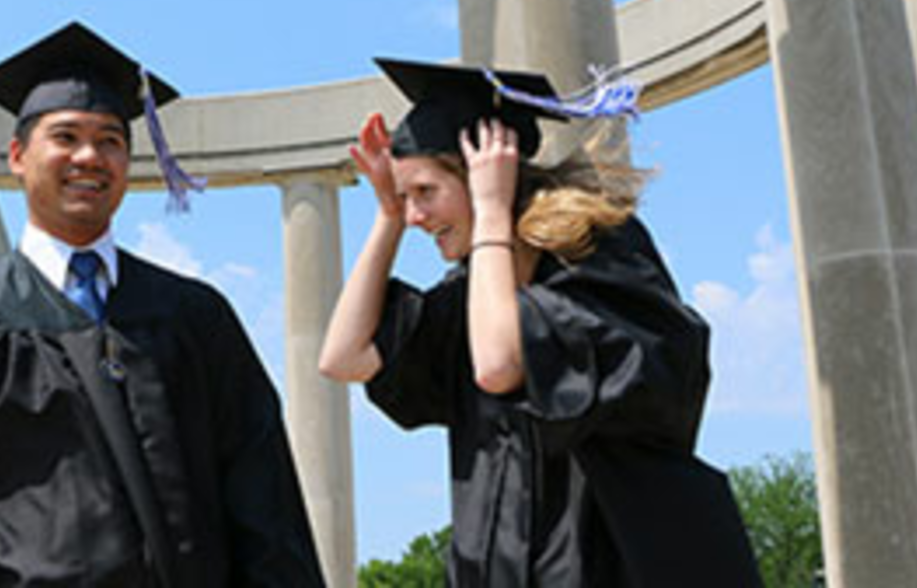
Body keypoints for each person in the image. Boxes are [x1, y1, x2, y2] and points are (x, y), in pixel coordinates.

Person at [0, 22, 325, 586]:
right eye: (65, 137)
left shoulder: (196, 317)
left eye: (111, 140)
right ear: (16, 156)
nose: (90, 156)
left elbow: (266, 505)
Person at [318, 59, 762, 586]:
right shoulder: (470, 299)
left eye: (425, 193)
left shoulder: (601, 260)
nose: (416, 216)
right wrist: (386, 217)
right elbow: (342, 357)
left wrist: (490, 211)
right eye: (405, 198)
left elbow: (498, 365)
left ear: (484, 176)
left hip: (616, 568)